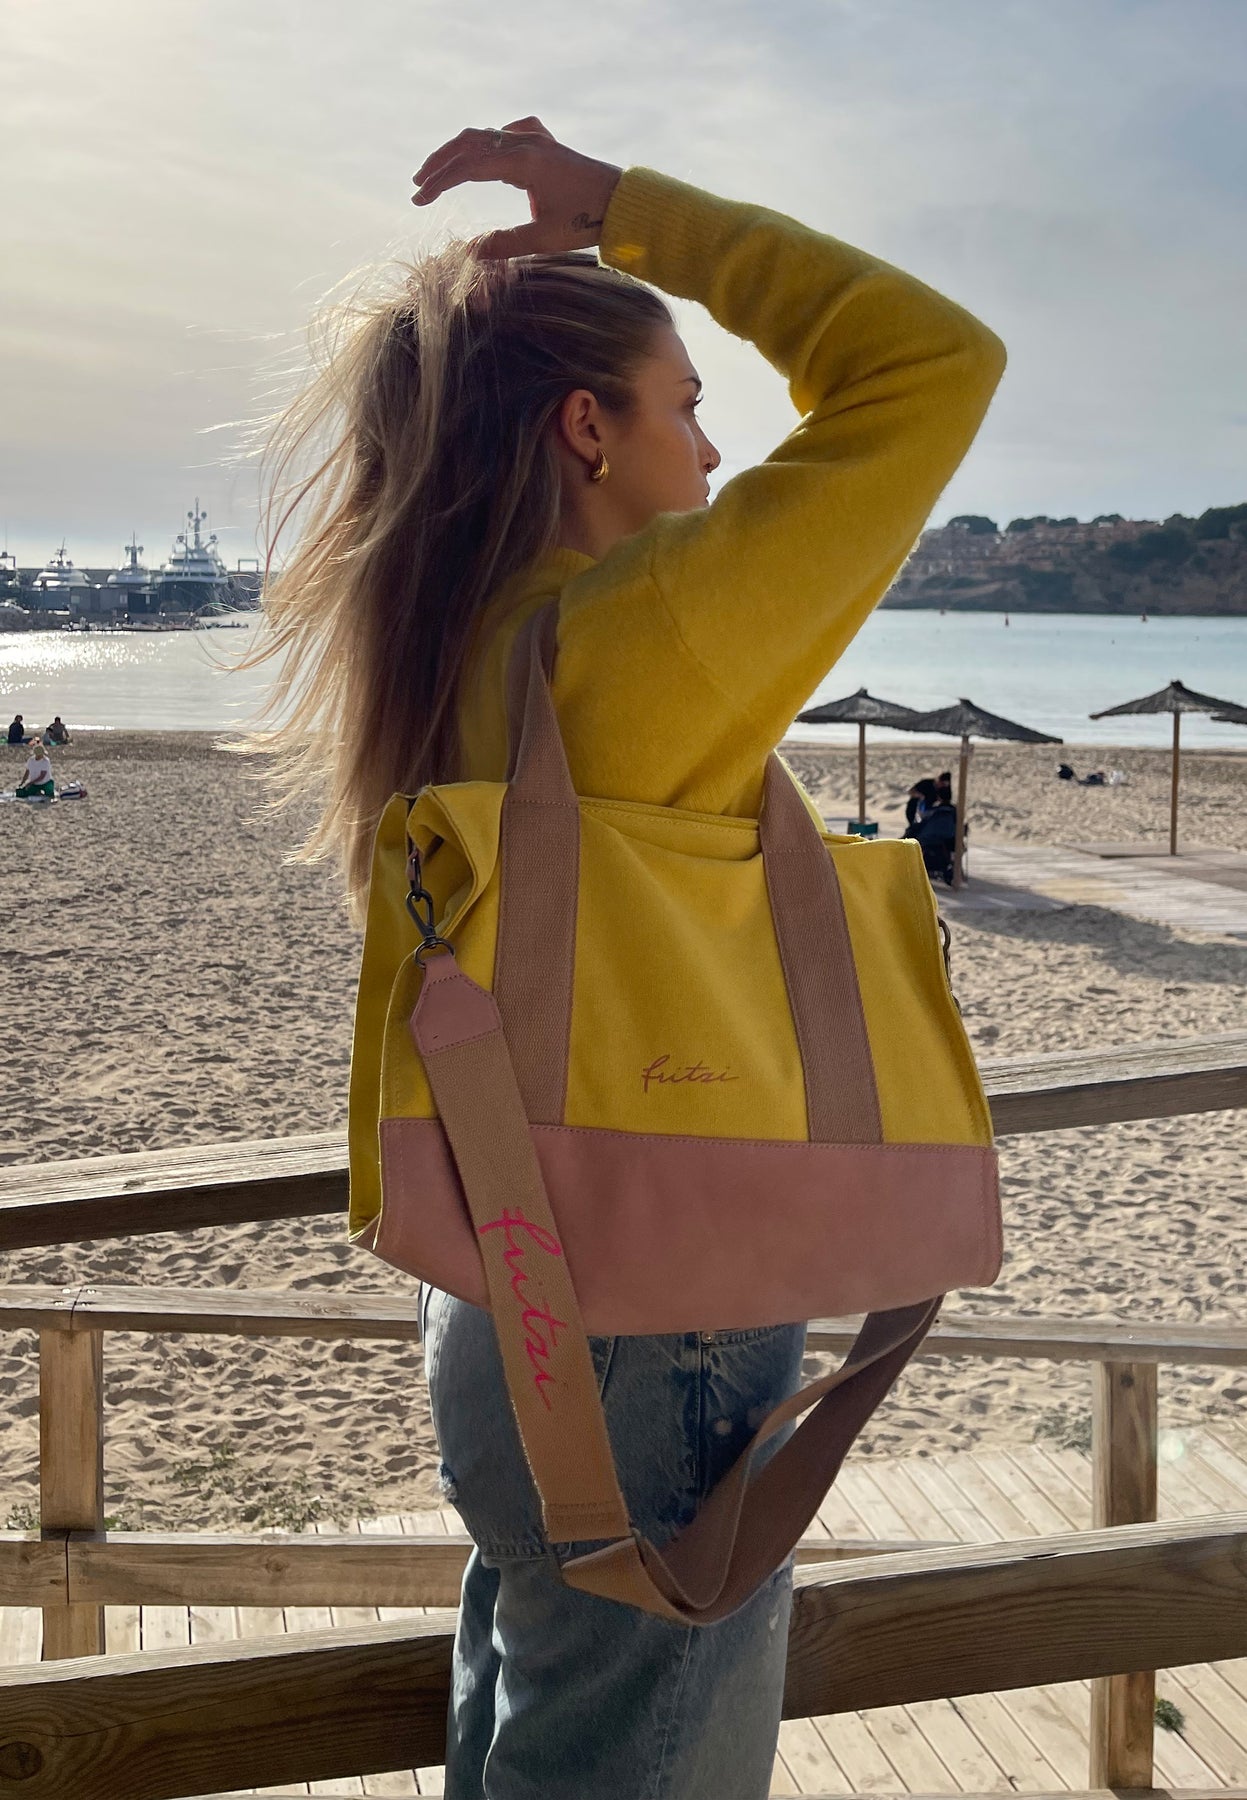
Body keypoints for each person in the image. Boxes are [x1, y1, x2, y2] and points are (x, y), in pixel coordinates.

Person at [238, 118, 1006, 1798]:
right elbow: (934, 365)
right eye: (687, 403)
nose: (718, 452)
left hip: (501, 1291)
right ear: (586, 427)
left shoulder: (465, 643)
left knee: (540, 1740)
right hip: (656, 1323)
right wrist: (633, 214)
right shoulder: (637, 635)